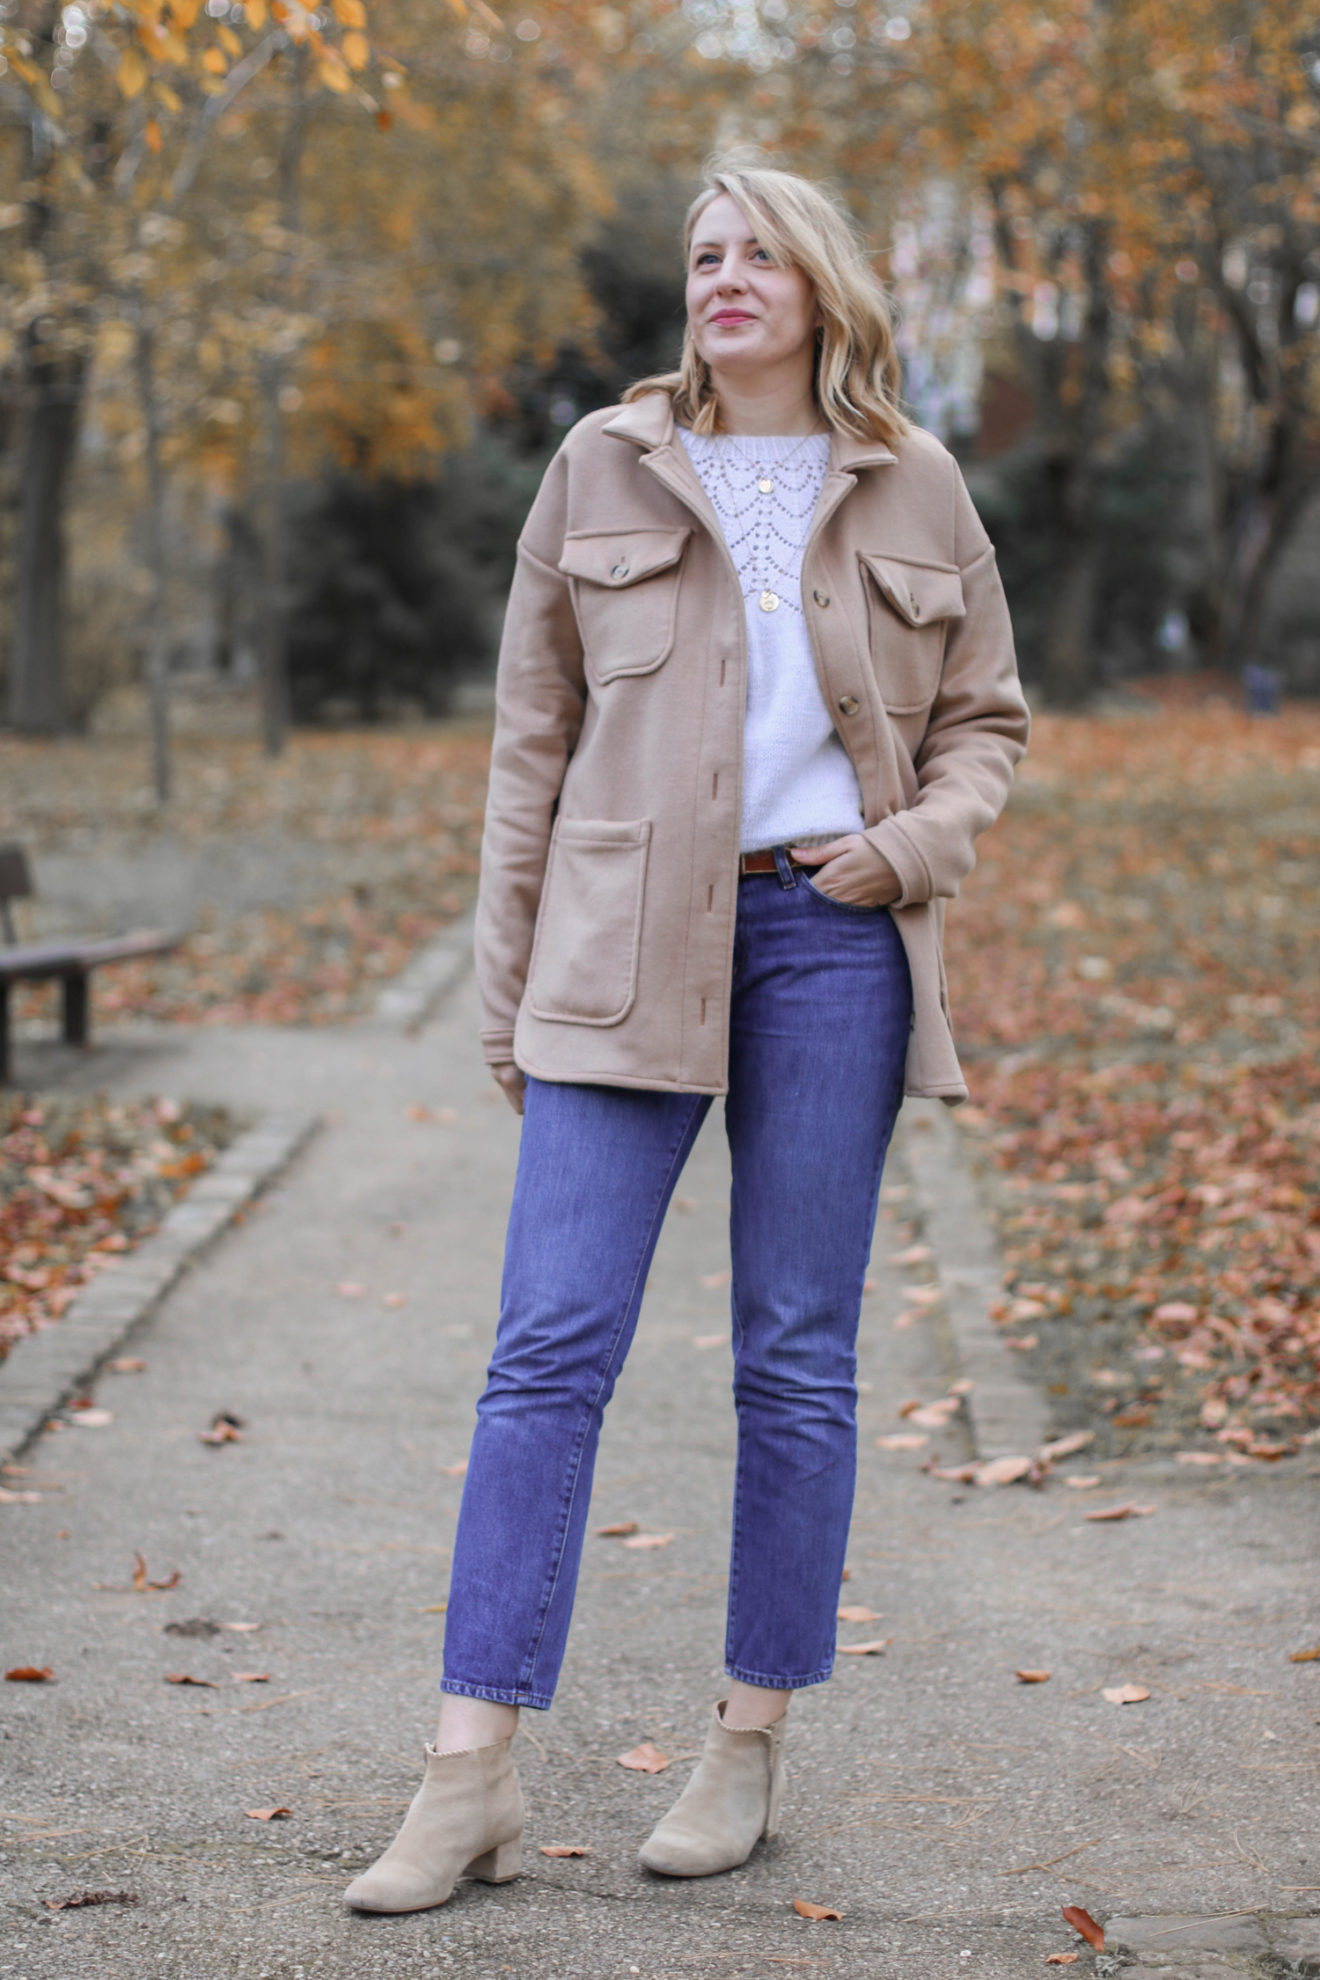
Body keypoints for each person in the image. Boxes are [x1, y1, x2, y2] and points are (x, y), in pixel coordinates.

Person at [345, 158, 1029, 1915]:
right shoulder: (602, 463)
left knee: (794, 1359)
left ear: (821, 286)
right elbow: (528, 746)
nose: (724, 276)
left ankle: (746, 1746)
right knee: (544, 1352)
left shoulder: (915, 480)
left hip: (833, 941)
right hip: (620, 944)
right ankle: (467, 1774)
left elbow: (987, 722)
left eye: (759, 255)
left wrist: (913, 846)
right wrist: (507, 990)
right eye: (704, 254)